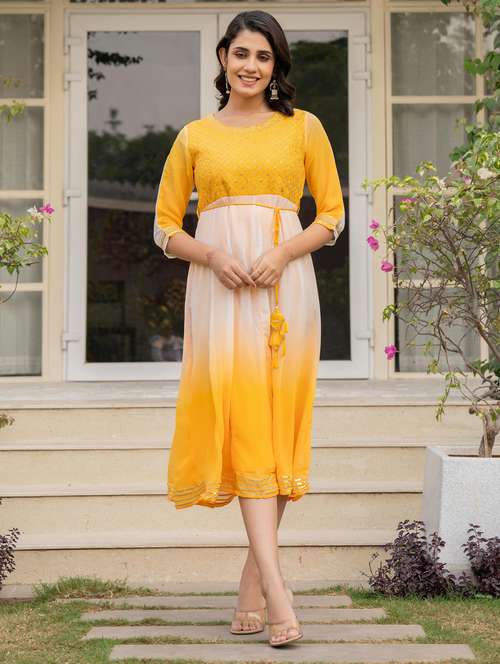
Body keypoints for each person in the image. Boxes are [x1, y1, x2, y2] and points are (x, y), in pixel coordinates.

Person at [153, 9, 344, 648]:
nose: (251, 66)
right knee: (244, 424)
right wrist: (212, 255)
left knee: (277, 425)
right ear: (223, 58)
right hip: (220, 294)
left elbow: (332, 216)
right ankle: (276, 589)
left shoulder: (304, 128)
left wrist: (284, 252)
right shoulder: (194, 137)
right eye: (241, 53)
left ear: (276, 66)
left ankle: (252, 581)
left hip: (286, 294)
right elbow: (164, 228)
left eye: (263, 56)